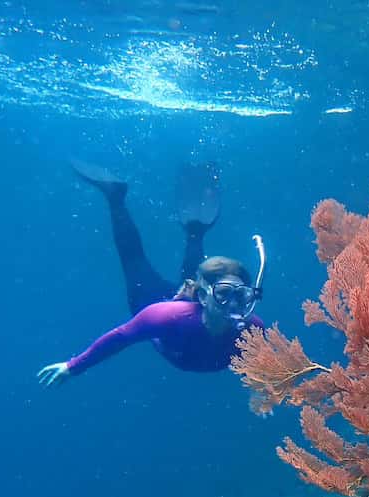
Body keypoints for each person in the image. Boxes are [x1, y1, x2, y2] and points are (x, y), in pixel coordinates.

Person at [38, 161, 265, 386]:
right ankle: (115, 196)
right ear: (204, 298)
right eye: (224, 293)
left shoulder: (253, 329)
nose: (233, 303)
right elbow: (121, 336)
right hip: (151, 299)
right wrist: (73, 366)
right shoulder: (165, 316)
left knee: (195, 272)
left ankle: (195, 231)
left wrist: (263, 390)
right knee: (133, 260)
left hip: (186, 305)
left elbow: (262, 367)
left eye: (242, 295)